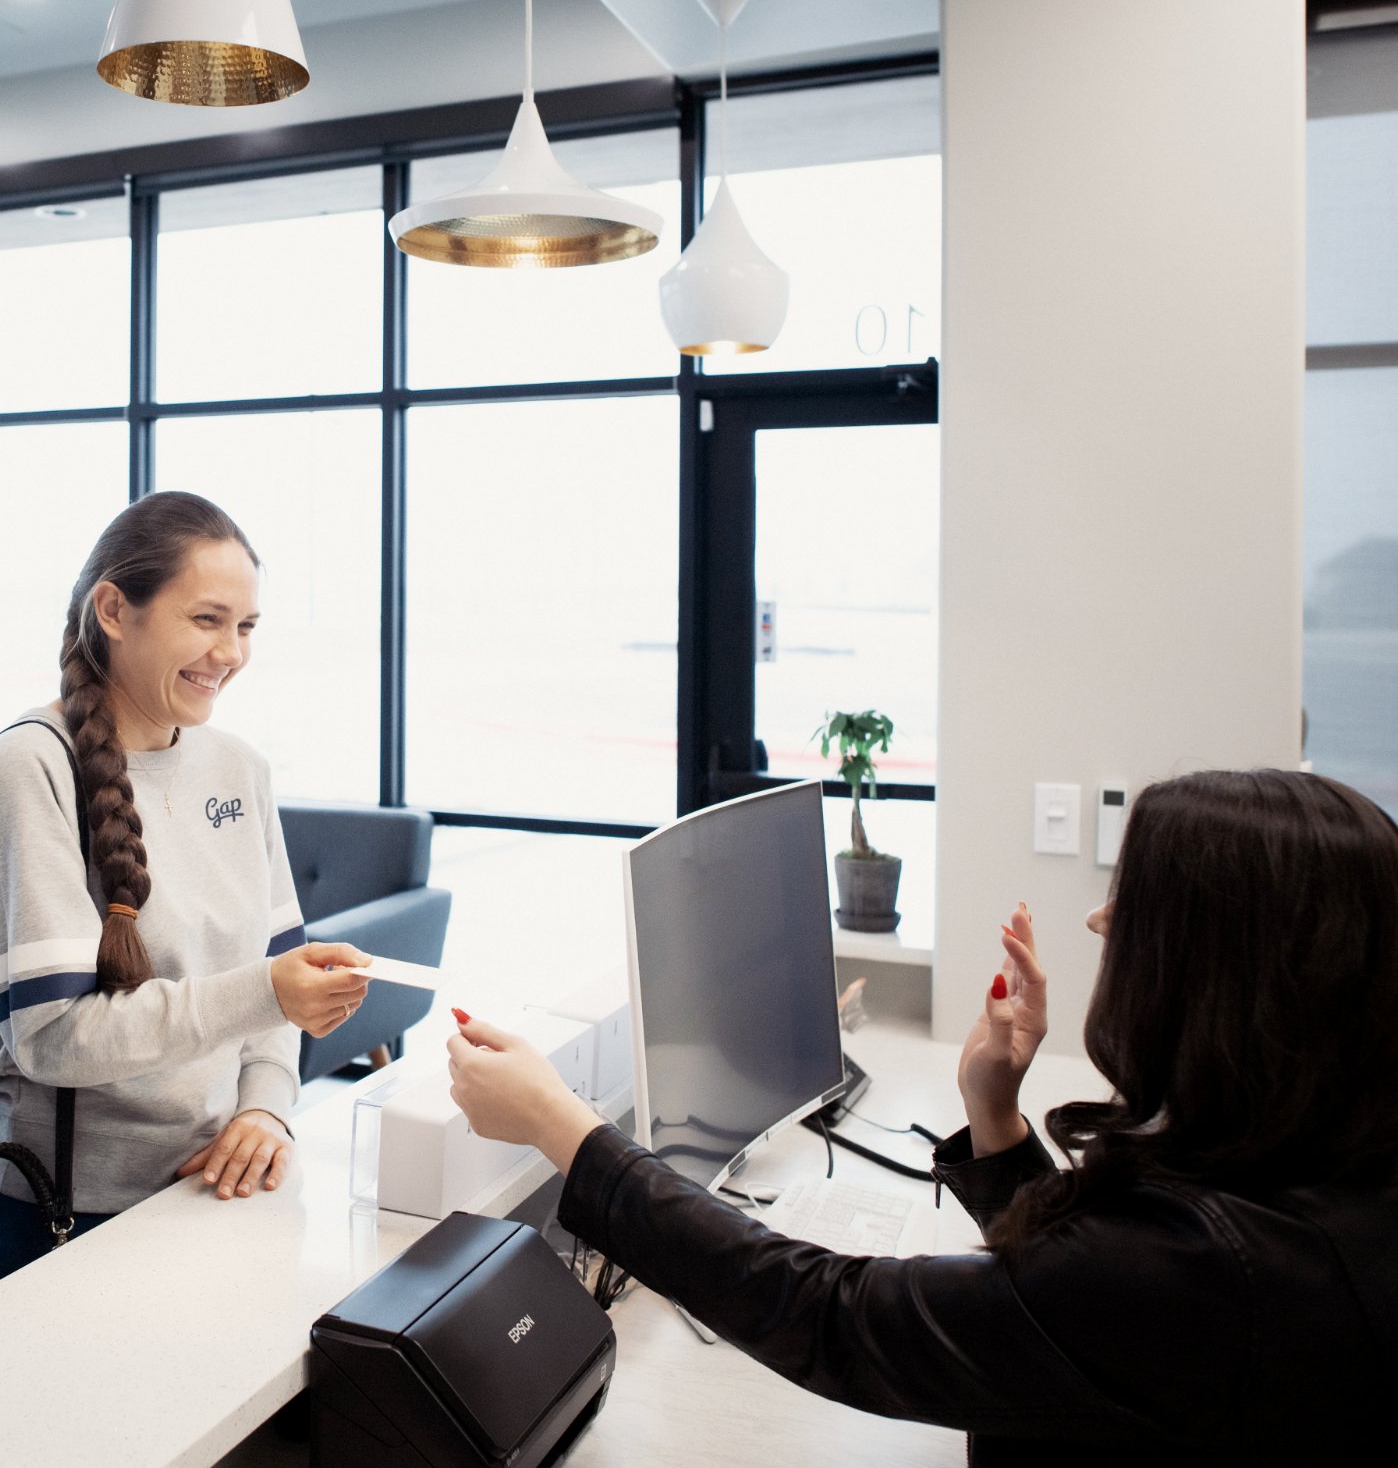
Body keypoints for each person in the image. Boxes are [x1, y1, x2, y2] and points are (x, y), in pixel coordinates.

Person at [446, 769, 1398, 1464]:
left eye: (1133, 903)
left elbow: (834, 1319)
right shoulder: (1315, 1190)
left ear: (1220, 979)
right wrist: (996, 1120)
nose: (1102, 922)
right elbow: (1073, 1319)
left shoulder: (1197, 1273)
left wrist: (563, 1130)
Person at [0, 491, 371, 1278]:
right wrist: (267, 991)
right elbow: (52, 1039)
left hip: (220, 1192)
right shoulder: (32, 766)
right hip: (69, 1220)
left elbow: (277, 979)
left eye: (246, 627)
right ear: (112, 609)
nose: (230, 653)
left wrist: (266, 1106)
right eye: (206, 620)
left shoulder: (241, 767)